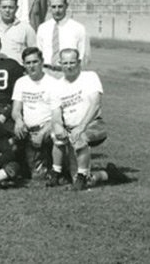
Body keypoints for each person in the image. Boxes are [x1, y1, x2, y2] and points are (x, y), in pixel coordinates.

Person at [47, 49, 127, 190]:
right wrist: (58, 125)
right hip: (71, 128)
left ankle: (82, 176)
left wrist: (82, 126)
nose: (69, 66)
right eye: (65, 63)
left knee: (80, 139)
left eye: (72, 62)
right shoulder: (56, 86)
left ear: (79, 62)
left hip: (93, 125)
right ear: (60, 64)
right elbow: (56, 113)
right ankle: (105, 174)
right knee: (56, 136)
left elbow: (95, 104)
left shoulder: (90, 77)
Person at [10, 47, 60, 179]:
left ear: (42, 62)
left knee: (39, 176)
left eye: (35, 62)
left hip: (47, 129)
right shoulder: (21, 82)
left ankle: (54, 165)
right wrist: (18, 120)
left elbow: (57, 115)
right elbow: (15, 109)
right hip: (27, 129)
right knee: (10, 145)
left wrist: (43, 132)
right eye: (28, 63)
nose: (31, 66)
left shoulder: (53, 83)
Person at [37, 0, 90, 73]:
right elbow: (39, 53)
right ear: (49, 7)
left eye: (60, 6)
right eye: (53, 7)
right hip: (46, 72)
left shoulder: (78, 28)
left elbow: (84, 57)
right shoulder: (42, 28)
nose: (57, 10)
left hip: (68, 73)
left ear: (66, 6)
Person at [0, 0, 36, 64]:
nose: (7, 10)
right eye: (4, 7)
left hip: (18, 72)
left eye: (11, 7)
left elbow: (34, 54)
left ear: (16, 8)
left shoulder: (26, 28)